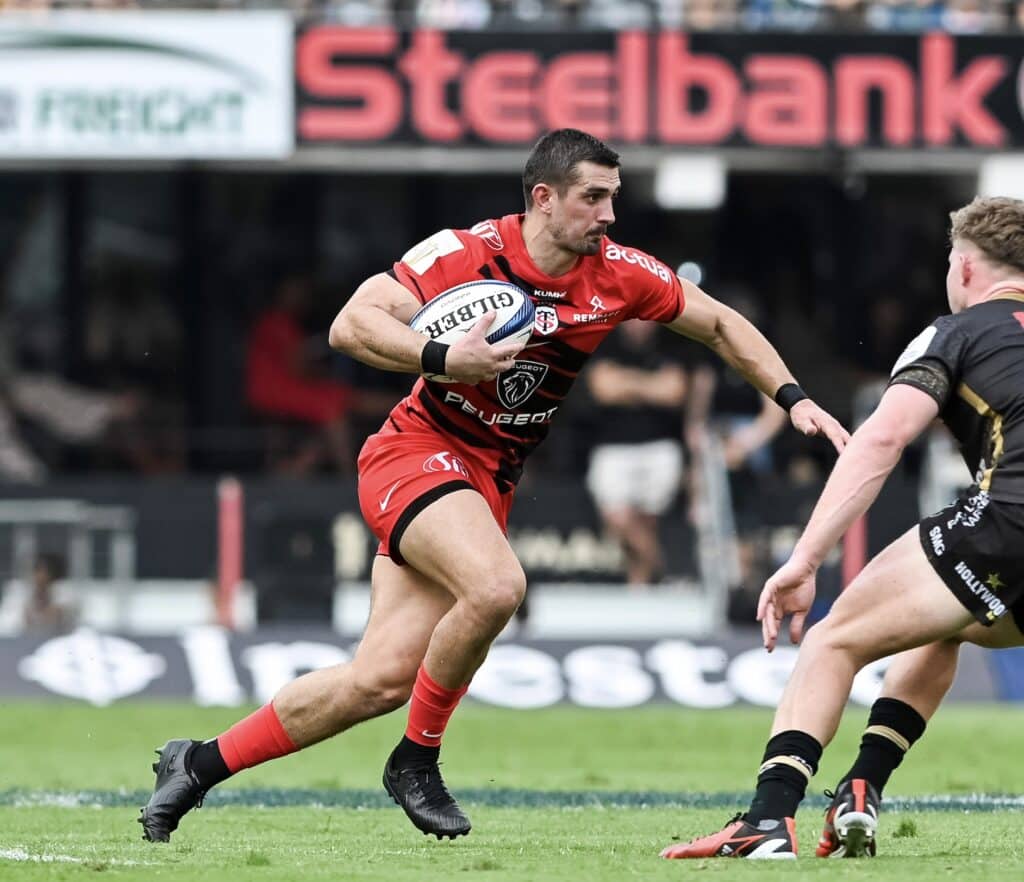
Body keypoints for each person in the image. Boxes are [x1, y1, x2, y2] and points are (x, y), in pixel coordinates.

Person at [139, 128, 847, 845]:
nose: (608, 215)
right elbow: (351, 325)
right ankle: (416, 761)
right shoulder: (463, 254)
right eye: (592, 198)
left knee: (378, 681)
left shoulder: (620, 274)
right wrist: (442, 355)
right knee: (498, 586)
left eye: (613, 198)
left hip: (485, 481)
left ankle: (195, 765)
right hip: (415, 451)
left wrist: (794, 398)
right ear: (543, 198)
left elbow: (721, 325)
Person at [662, 195, 1024, 861]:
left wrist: (804, 559)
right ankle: (861, 786)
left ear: (967, 269)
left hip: (1009, 522)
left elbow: (881, 441)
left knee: (831, 640)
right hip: (1007, 554)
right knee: (942, 623)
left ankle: (767, 820)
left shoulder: (955, 331)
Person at [584, 319, 688, 586]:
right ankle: (661, 565)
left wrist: (625, 384)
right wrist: (652, 386)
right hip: (613, 447)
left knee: (647, 520)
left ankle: (639, 586)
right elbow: (603, 390)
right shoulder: (606, 343)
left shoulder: (669, 345)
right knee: (617, 518)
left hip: (659, 446)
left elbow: (675, 391)